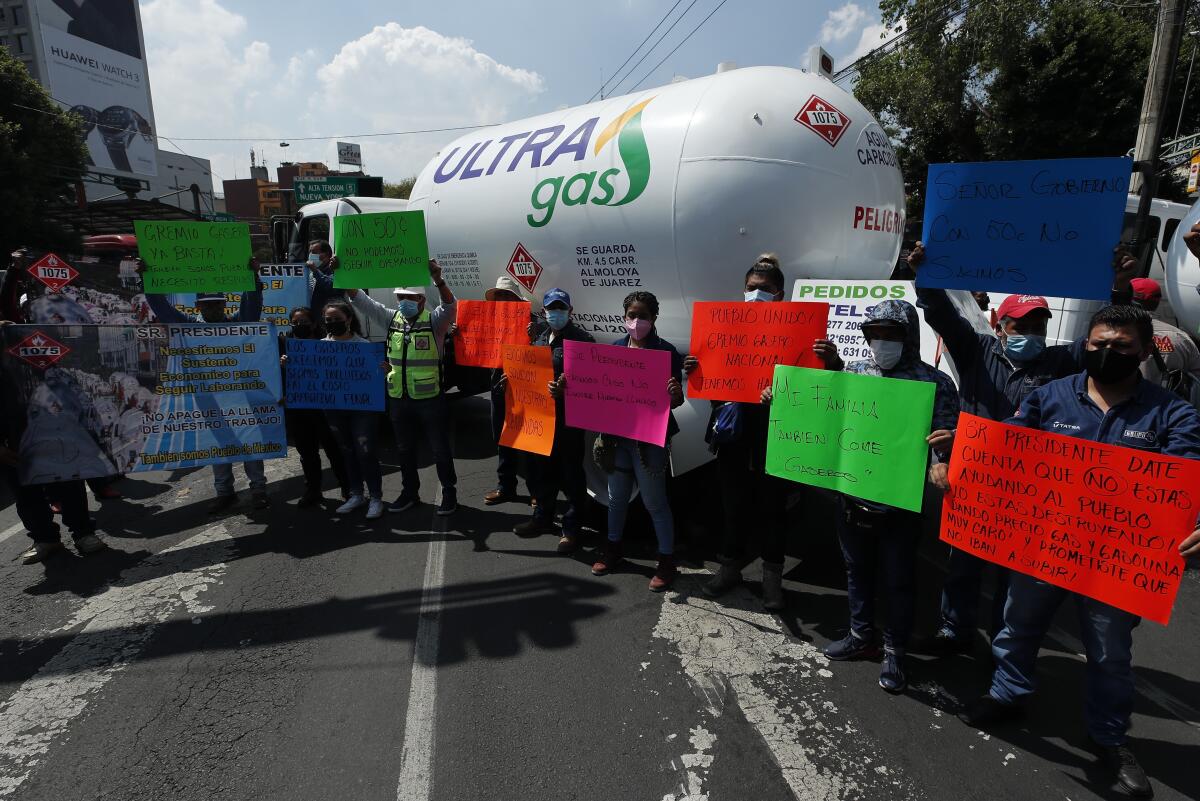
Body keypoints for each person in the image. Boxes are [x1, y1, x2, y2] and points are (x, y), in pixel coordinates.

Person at [958, 304, 1200, 799]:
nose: (1106, 353)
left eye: (1121, 347)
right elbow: (1008, 447)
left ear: (1143, 350)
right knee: (1017, 623)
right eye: (1097, 344)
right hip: (1043, 545)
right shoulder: (1049, 398)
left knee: (1110, 653)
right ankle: (1008, 694)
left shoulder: (1173, 413)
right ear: (1084, 343)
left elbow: (1188, 480)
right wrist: (959, 458)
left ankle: (1109, 738)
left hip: (1118, 563)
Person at [912, 242, 1137, 651]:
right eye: (1021, 326)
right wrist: (926, 275)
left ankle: (1004, 642)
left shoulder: (1059, 362)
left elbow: (1105, 340)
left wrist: (1118, 288)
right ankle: (954, 630)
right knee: (963, 560)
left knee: (1011, 571)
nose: (1031, 333)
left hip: (1027, 486)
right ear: (999, 325)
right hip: (974, 474)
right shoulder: (975, 349)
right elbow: (941, 313)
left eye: (1038, 326)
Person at [684, 254, 842, 610]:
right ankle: (729, 569)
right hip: (734, 437)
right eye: (752, 289)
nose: (757, 295)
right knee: (733, 507)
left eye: (766, 290)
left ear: (780, 295)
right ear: (743, 290)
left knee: (774, 511)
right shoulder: (723, 329)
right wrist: (696, 370)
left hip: (778, 438)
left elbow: (821, 389)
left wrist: (830, 363)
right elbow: (714, 390)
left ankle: (772, 578)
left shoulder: (801, 333)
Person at [819, 299, 959, 693]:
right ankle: (861, 636)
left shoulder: (935, 382)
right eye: (874, 334)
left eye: (891, 334)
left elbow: (950, 435)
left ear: (908, 336)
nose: (881, 342)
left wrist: (943, 456)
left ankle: (895, 651)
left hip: (899, 502)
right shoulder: (856, 373)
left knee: (899, 578)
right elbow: (832, 417)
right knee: (855, 569)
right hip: (853, 493)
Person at [139, 257, 269, 513]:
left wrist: (253, 278)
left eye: (217, 304)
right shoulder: (187, 327)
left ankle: (258, 490)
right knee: (218, 445)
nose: (213, 309)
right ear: (198, 306)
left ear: (224, 305)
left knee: (251, 443)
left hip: (240, 396)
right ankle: (224, 492)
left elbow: (252, 305)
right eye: (207, 305)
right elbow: (161, 307)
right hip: (208, 399)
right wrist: (148, 279)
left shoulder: (237, 324)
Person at [589, 291, 685, 591]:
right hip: (619, 438)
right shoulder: (616, 348)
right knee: (616, 497)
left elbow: (677, 401)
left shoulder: (667, 352)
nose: (636, 321)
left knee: (654, 502)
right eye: (632, 315)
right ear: (624, 316)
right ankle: (613, 549)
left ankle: (667, 560)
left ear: (654, 318)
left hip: (649, 441)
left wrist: (675, 395)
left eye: (643, 315)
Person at [346, 260, 458, 515]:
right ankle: (410, 493)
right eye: (399, 297)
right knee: (405, 450)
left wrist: (438, 280)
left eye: (407, 297)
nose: (402, 301)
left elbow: (451, 306)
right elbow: (363, 302)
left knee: (440, 449)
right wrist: (343, 275)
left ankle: (449, 494)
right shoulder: (391, 319)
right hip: (398, 398)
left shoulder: (435, 322)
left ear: (420, 299)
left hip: (430, 399)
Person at [514, 288, 595, 552]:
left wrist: (565, 391)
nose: (556, 313)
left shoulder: (582, 341)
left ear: (570, 312)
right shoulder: (538, 337)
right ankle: (543, 519)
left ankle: (571, 530)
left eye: (561, 308)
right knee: (541, 472)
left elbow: (591, 385)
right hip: (540, 419)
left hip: (568, 422)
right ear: (544, 311)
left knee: (571, 475)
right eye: (551, 308)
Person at [0, 374, 106, 564]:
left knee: (68, 481)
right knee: (24, 490)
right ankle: (44, 539)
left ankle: (83, 533)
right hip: (10, 433)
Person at [318, 299, 385, 518]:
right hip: (334, 409)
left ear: (348, 320)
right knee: (346, 451)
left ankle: (376, 497)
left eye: (338, 319)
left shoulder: (364, 347)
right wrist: (291, 363)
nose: (333, 323)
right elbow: (312, 376)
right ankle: (356, 494)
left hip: (362, 409)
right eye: (329, 320)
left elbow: (376, 379)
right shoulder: (318, 348)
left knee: (365, 452)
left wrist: (383, 370)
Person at [279, 307, 349, 507]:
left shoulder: (327, 344)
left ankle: (347, 486)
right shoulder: (285, 345)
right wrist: (282, 365)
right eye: (296, 323)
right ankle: (313, 490)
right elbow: (275, 374)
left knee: (333, 449)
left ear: (314, 324)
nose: (300, 326)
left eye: (304, 322)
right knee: (307, 452)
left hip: (325, 407)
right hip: (298, 408)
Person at [473, 274, 533, 505]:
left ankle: (536, 491)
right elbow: (473, 343)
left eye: (507, 295)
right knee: (502, 437)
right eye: (499, 296)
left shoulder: (531, 322)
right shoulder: (490, 323)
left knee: (528, 441)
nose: (502, 300)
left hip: (525, 387)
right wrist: (460, 333)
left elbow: (541, 353)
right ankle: (505, 486)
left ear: (517, 299)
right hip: (499, 385)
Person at [1126, 277, 1200, 396]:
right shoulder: (1181, 338)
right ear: (1158, 300)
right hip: (1167, 409)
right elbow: (1196, 378)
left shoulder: (1112, 334)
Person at [306, 240, 344, 316]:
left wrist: (315, 271)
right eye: (309, 252)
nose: (310, 255)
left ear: (326, 254)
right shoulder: (311, 273)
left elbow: (332, 287)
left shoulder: (335, 270)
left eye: (314, 252)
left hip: (330, 318)